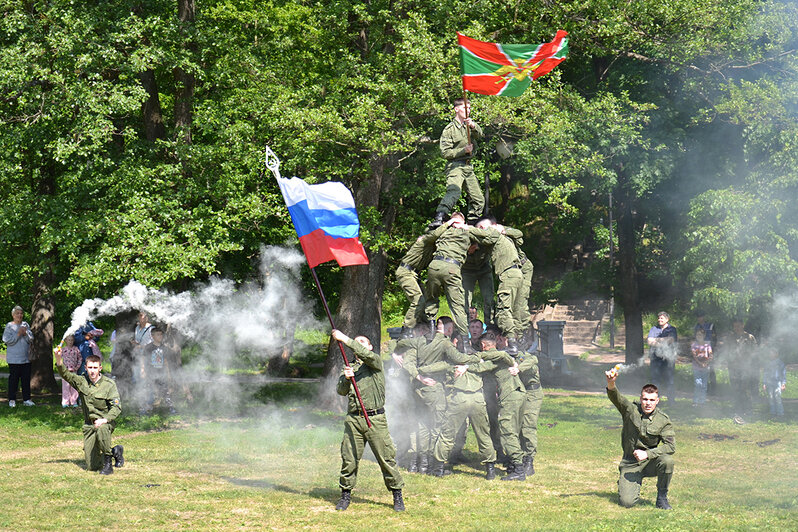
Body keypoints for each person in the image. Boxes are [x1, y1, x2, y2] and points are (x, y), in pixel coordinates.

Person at [332, 329, 404, 512]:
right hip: (354, 419)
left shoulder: (375, 363)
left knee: (386, 457)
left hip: (375, 419)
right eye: (357, 342)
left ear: (370, 347)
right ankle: (345, 495)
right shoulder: (350, 367)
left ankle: (397, 495)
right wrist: (346, 378)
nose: (360, 344)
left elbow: (366, 354)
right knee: (349, 458)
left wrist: (345, 338)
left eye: (363, 342)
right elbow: (341, 391)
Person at [605, 368, 675, 509]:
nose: (648, 403)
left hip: (650, 463)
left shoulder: (663, 420)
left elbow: (671, 447)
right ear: (640, 399)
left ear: (657, 401)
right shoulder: (630, 410)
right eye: (645, 399)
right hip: (630, 463)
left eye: (651, 400)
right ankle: (626, 483)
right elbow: (615, 396)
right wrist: (611, 382)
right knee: (627, 503)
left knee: (667, 461)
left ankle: (662, 498)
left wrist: (647, 454)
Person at [54, 350, 124, 475]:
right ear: (85, 368)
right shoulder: (82, 382)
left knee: (102, 429)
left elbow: (116, 407)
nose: (92, 370)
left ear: (100, 368)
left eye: (95, 367)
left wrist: (105, 420)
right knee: (92, 466)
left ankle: (108, 463)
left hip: (105, 423)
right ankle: (115, 451)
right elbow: (65, 375)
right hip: (89, 425)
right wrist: (58, 359)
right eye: (90, 367)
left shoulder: (109, 385)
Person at [470, 218, 524, 353]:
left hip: (508, 275)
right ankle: (519, 341)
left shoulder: (492, 234)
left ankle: (512, 343)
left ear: (482, 228)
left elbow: (483, 236)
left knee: (503, 310)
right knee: (515, 311)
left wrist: (465, 227)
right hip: (517, 274)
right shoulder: (504, 237)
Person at [431, 98, 485, 227]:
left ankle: (473, 222)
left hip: (468, 167)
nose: (468, 111)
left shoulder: (469, 126)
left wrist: (473, 126)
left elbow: (480, 135)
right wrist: (463, 151)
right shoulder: (449, 130)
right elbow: (445, 153)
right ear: (456, 109)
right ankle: (440, 216)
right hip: (455, 165)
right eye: (465, 108)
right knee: (454, 192)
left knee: (478, 198)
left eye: (470, 108)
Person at [396, 219, 458, 332]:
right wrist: (449, 222)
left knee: (426, 304)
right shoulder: (426, 239)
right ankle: (406, 330)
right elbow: (434, 234)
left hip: (415, 274)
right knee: (418, 301)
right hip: (406, 271)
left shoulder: (435, 246)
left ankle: (423, 330)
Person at [424, 212, 471, 337]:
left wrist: (446, 224)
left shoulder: (443, 231)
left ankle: (431, 333)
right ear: (463, 222)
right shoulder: (467, 231)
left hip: (435, 266)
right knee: (457, 306)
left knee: (432, 298)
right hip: (452, 267)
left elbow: (429, 233)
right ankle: (465, 342)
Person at [726, 318, 758, 423]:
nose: (737, 328)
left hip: (746, 368)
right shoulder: (730, 337)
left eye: (738, 326)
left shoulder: (749, 337)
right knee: (736, 389)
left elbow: (755, 352)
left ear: (742, 325)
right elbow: (726, 352)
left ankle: (748, 410)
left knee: (745, 389)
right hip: (734, 368)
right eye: (735, 326)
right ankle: (737, 411)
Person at [4, 306, 35, 407]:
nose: (19, 315)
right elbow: (7, 340)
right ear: (13, 315)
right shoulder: (9, 326)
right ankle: (12, 399)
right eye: (17, 313)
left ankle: (27, 399)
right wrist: (18, 334)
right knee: (13, 380)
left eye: (21, 313)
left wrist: (25, 333)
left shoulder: (25, 325)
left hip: (26, 358)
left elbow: (31, 339)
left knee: (26, 380)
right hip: (14, 359)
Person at [141, 327, 175, 414]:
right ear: (152, 336)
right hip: (151, 373)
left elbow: (166, 362)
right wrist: (143, 370)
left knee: (165, 391)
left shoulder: (164, 348)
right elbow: (143, 359)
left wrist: (168, 374)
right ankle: (146, 409)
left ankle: (171, 408)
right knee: (148, 391)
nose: (160, 336)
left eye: (161, 334)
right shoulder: (148, 347)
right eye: (158, 334)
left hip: (161, 373)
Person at [647, 312, 678, 406]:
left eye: (662, 318)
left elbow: (671, 340)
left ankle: (671, 401)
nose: (660, 320)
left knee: (670, 380)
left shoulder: (672, 329)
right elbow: (649, 341)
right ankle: (656, 401)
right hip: (655, 359)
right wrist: (663, 341)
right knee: (655, 381)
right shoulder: (654, 329)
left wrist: (656, 340)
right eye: (659, 318)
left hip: (668, 359)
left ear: (667, 319)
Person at [694, 311, 717, 394]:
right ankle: (704, 388)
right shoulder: (696, 326)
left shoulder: (710, 325)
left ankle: (713, 389)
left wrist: (712, 351)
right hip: (700, 350)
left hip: (709, 349)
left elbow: (714, 339)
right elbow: (695, 338)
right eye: (698, 317)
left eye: (701, 316)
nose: (699, 318)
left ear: (704, 317)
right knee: (701, 368)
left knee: (711, 369)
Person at [761, 343, 786, 418]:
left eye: (772, 353)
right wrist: (764, 383)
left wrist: (783, 384)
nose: (770, 355)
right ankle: (773, 412)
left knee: (777, 396)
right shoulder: (767, 363)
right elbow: (765, 373)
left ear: (776, 354)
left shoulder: (780, 363)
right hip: (769, 382)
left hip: (777, 382)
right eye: (770, 353)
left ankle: (780, 413)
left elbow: (783, 374)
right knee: (771, 397)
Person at [690, 329, 713, 406]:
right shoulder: (694, 345)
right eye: (697, 335)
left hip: (706, 368)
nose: (698, 336)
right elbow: (694, 356)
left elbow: (711, 355)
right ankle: (695, 401)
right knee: (698, 384)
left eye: (700, 335)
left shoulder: (707, 345)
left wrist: (706, 363)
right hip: (697, 368)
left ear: (704, 336)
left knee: (704, 386)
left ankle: (702, 401)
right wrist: (700, 363)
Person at [60, 334, 82, 408]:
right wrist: (62, 369)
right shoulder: (63, 349)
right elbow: (59, 359)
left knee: (74, 387)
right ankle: (65, 402)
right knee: (65, 387)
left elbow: (80, 359)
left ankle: (73, 402)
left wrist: (77, 367)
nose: (70, 342)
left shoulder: (76, 349)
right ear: (65, 340)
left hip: (74, 371)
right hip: (65, 371)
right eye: (69, 340)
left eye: (72, 340)